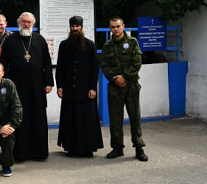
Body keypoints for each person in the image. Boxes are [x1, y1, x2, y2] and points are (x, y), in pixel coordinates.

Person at [0, 11, 53, 161]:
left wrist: (49, 82)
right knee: (18, 116)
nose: (26, 24)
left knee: (38, 116)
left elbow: (47, 63)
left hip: (37, 85)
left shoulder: (39, 40)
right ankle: (19, 153)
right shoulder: (10, 41)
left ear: (33, 24)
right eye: (24, 22)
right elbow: (3, 62)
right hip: (16, 85)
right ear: (18, 23)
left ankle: (39, 152)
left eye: (29, 22)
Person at [99, 17, 148, 161]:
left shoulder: (132, 42)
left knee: (134, 117)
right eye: (113, 27)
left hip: (131, 85)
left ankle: (139, 147)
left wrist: (124, 77)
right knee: (115, 118)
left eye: (118, 26)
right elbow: (104, 64)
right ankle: (117, 147)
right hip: (115, 87)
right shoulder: (107, 46)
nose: (115, 29)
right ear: (110, 28)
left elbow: (137, 62)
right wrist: (116, 78)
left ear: (123, 26)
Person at [56, 16, 103, 157]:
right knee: (70, 119)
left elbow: (94, 68)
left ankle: (88, 149)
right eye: (73, 26)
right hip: (69, 89)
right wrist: (60, 86)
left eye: (77, 26)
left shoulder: (90, 45)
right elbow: (60, 67)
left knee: (87, 119)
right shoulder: (64, 45)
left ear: (81, 27)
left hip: (86, 89)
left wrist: (93, 87)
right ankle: (71, 148)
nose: (75, 29)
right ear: (70, 27)